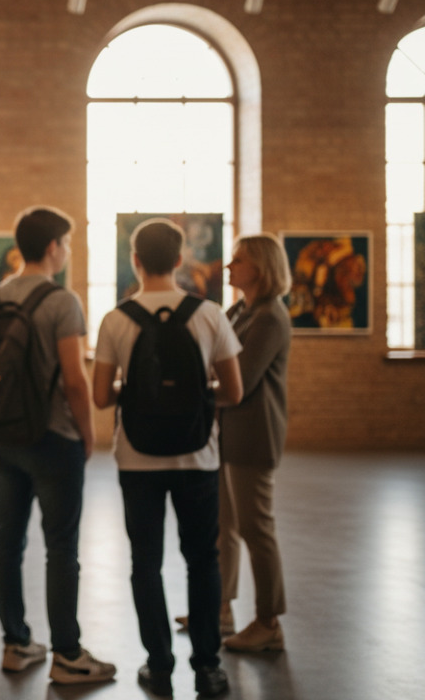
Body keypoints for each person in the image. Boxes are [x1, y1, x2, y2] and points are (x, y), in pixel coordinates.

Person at [92, 218, 243, 699]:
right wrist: (195, 395)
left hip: (137, 460)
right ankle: (208, 668)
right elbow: (234, 391)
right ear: (179, 260)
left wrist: (141, 391)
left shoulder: (116, 319)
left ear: (135, 260)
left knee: (146, 564)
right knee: (203, 560)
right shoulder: (210, 314)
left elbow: (101, 397)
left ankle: (158, 667)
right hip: (198, 457)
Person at [0, 207, 116, 683]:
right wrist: (88, 433)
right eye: (68, 243)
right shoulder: (62, 301)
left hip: (5, 435)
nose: (68, 251)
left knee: (7, 541)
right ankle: (68, 655)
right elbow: (75, 380)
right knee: (61, 547)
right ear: (54, 246)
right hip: (53, 437)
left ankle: (16, 644)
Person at [217, 233, 293, 652]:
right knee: (223, 526)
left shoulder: (269, 318)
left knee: (255, 528)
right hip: (228, 433)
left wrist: (195, 389)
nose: (229, 267)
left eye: (238, 260)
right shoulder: (239, 310)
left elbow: (239, 382)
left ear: (261, 268)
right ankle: (221, 608)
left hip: (253, 435)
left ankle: (268, 622)